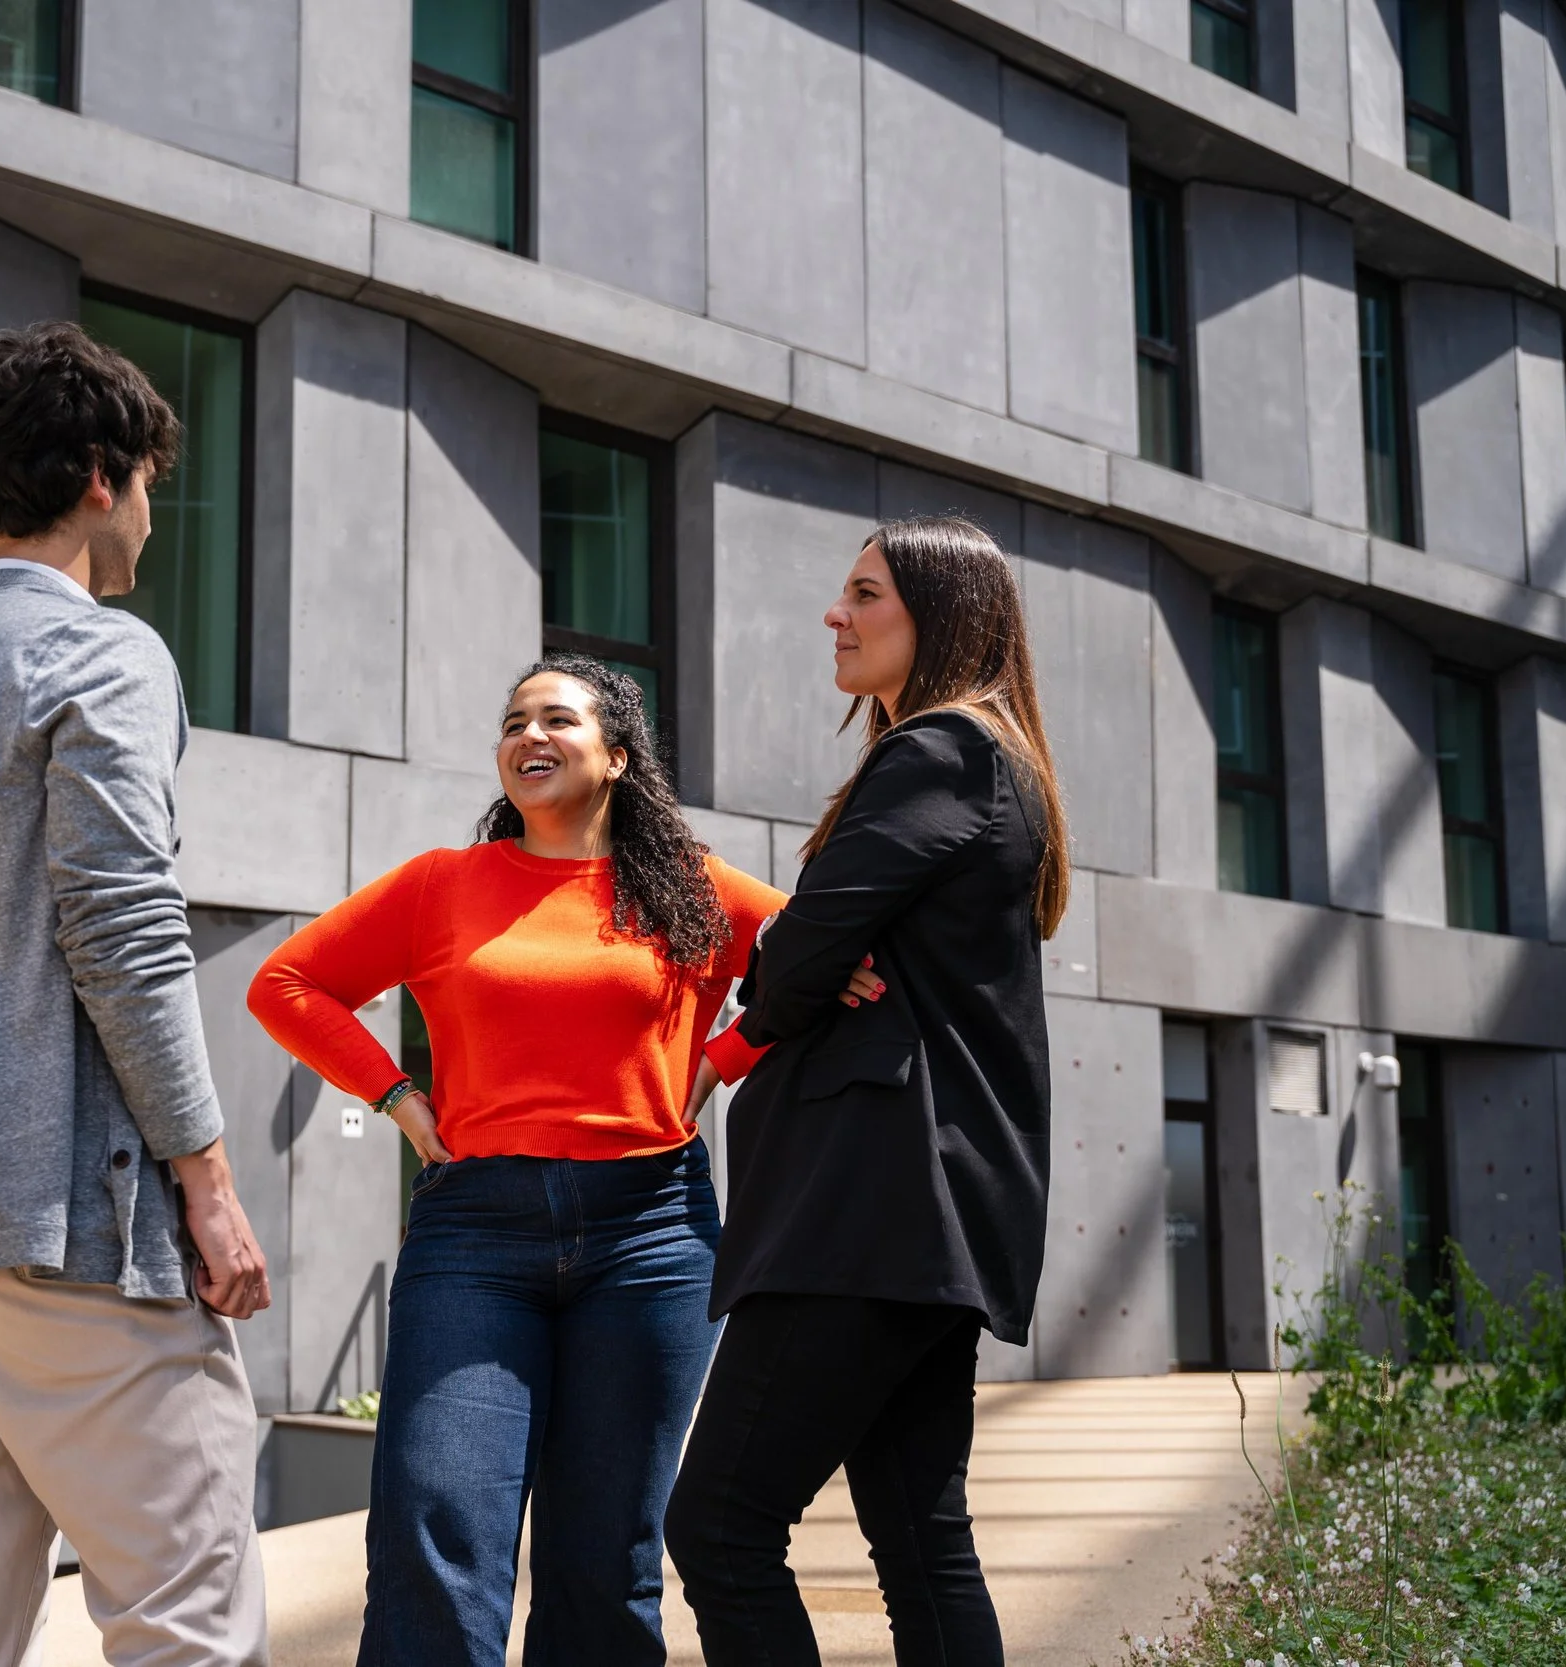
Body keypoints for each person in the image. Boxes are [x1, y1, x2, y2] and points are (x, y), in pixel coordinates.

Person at [0, 321, 273, 1667]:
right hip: (69, 1224)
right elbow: (127, 925)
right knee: (190, 1619)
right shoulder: (101, 654)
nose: (151, 510)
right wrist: (205, 1175)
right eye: (146, 479)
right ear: (100, 473)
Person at [246, 655, 798, 1667]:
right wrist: (399, 1097)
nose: (527, 735)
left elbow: (818, 953)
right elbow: (286, 982)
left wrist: (721, 1058)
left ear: (619, 756)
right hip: (474, 1234)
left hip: (652, 1231)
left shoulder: (691, 888)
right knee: (435, 1525)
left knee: (605, 1553)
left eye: (556, 718)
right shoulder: (440, 885)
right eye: (512, 722)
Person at [664, 514, 1069, 1667]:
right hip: (926, 1211)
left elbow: (793, 958)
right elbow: (814, 953)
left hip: (870, 1204)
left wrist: (794, 956)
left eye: (864, 593)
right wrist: (807, 952)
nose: (833, 615)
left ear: (937, 616)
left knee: (721, 1523)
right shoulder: (994, 758)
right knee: (917, 1536)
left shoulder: (943, 749)